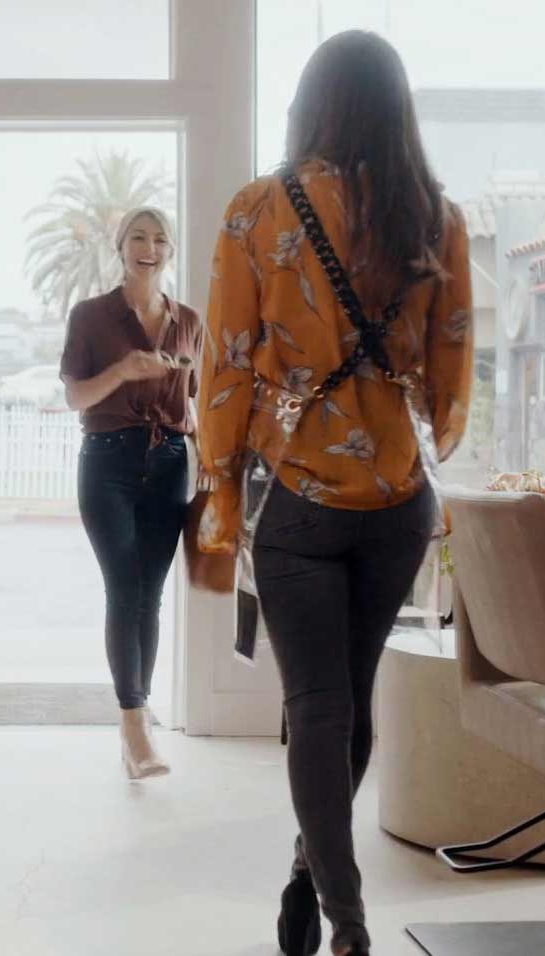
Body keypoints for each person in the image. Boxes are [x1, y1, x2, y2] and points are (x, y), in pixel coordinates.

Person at [196, 32, 473, 956]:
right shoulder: (435, 217)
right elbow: (451, 378)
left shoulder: (257, 211)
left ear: (311, 104)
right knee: (350, 699)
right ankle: (308, 876)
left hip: (299, 496)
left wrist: (220, 488)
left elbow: (226, 368)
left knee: (318, 705)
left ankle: (345, 918)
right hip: (399, 500)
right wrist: (404, 414)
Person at [59, 206, 203, 780]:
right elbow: (75, 397)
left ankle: (135, 729)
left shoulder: (189, 320)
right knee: (124, 590)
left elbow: (194, 401)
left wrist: (211, 463)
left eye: (161, 239)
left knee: (151, 595)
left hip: (170, 464)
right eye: (139, 237)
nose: (150, 248)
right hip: (108, 463)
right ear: (120, 247)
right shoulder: (91, 316)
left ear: (171, 250)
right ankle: (135, 727)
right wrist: (123, 370)